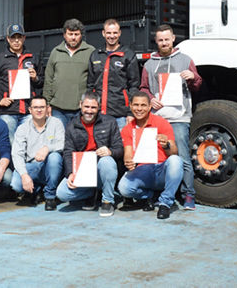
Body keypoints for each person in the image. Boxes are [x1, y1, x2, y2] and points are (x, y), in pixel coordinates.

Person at [139, 24, 203, 211]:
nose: (164, 42)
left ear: (173, 38)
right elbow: (143, 88)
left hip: (179, 117)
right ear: (156, 41)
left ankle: (188, 194)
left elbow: (198, 85)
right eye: (160, 40)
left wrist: (192, 76)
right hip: (156, 118)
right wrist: (151, 99)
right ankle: (157, 194)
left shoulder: (185, 60)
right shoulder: (149, 64)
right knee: (155, 158)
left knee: (182, 157)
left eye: (167, 39)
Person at [55, 92, 123, 217]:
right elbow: (68, 152)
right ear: (80, 105)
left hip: (101, 167)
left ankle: (107, 201)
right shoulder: (71, 125)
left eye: (93, 107)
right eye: (86, 107)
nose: (89, 111)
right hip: (83, 169)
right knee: (62, 193)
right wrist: (70, 173)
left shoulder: (110, 122)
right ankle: (92, 192)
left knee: (106, 161)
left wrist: (110, 151)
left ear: (99, 108)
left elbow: (119, 148)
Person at [118, 92, 183, 220]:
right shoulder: (127, 129)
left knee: (176, 161)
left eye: (143, 105)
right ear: (130, 106)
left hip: (162, 169)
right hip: (143, 170)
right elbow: (128, 152)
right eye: (136, 105)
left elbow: (174, 152)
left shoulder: (162, 123)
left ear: (149, 107)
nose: (139, 108)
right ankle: (150, 196)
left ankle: (165, 203)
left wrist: (166, 145)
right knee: (124, 188)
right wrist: (128, 161)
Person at [0, 23, 41, 145]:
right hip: (8, 112)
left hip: (28, 111)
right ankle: (10, 165)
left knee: (30, 144)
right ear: (8, 39)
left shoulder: (32, 58)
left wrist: (36, 78)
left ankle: (25, 165)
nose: (16, 41)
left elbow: (43, 82)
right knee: (9, 144)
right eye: (13, 37)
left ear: (24, 38)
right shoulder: (0, 59)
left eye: (19, 37)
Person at [10, 97, 64, 210]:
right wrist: (24, 175)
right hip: (32, 166)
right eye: (35, 107)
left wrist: (47, 148)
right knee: (16, 184)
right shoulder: (22, 128)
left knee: (55, 157)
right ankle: (37, 189)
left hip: (50, 166)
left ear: (47, 109)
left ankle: (50, 196)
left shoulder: (56, 123)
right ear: (30, 110)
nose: (39, 110)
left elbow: (63, 143)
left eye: (42, 107)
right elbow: (17, 154)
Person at [87, 18, 140, 130]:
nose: (112, 36)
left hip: (120, 114)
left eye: (115, 32)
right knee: (100, 146)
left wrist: (130, 113)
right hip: (99, 113)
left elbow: (134, 86)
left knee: (120, 146)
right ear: (103, 33)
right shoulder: (95, 55)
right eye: (109, 33)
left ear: (119, 33)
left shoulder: (128, 55)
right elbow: (90, 86)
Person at [43, 18, 95, 128]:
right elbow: (48, 79)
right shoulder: (56, 52)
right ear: (64, 35)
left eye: (76, 34)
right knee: (59, 141)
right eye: (70, 34)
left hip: (81, 109)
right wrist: (46, 104)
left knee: (79, 140)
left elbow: (95, 79)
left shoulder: (91, 51)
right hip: (58, 109)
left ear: (81, 35)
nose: (73, 37)